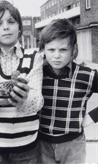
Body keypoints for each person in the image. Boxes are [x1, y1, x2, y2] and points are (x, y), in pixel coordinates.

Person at [0, 0, 44, 164]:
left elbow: (37, 101)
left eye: (11, 22)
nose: (6, 27)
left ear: (19, 27)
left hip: (26, 147)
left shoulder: (34, 58)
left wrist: (23, 98)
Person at [37, 18, 98, 164]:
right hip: (42, 144)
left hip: (74, 145)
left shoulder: (87, 75)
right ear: (43, 49)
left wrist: (93, 116)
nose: (56, 56)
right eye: (51, 49)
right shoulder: (38, 74)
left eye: (63, 49)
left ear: (73, 49)